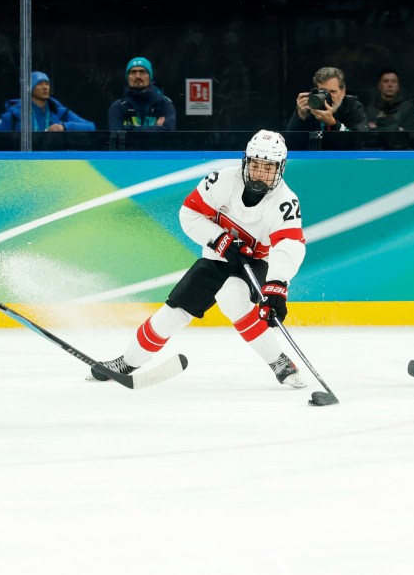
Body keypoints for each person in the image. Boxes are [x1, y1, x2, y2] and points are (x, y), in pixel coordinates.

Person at [88, 129, 307, 388]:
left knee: (232, 296)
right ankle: (128, 360)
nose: (260, 173)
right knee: (175, 308)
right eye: (256, 165)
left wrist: (277, 286)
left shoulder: (285, 200)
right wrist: (220, 240)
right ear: (246, 161)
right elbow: (189, 213)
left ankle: (278, 360)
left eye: (268, 168)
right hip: (216, 256)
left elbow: (289, 245)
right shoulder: (222, 181)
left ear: (280, 168)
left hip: (256, 262)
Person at [0, 71, 96, 132]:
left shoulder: (59, 111)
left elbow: (91, 127)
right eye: (39, 84)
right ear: (30, 89)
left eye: (47, 84)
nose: (45, 87)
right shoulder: (15, 115)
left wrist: (64, 127)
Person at [285, 66, 366, 132]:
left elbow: (360, 143)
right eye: (323, 92)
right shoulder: (310, 106)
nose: (328, 97)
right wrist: (300, 118)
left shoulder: (352, 106)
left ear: (343, 92)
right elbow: (288, 144)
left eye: (333, 91)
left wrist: (333, 124)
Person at [108, 56, 177, 131]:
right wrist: (157, 129)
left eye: (142, 72)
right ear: (127, 77)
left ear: (150, 76)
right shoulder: (118, 106)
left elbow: (169, 134)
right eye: (133, 72)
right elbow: (116, 137)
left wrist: (128, 129)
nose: (137, 76)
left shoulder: (164, 104)